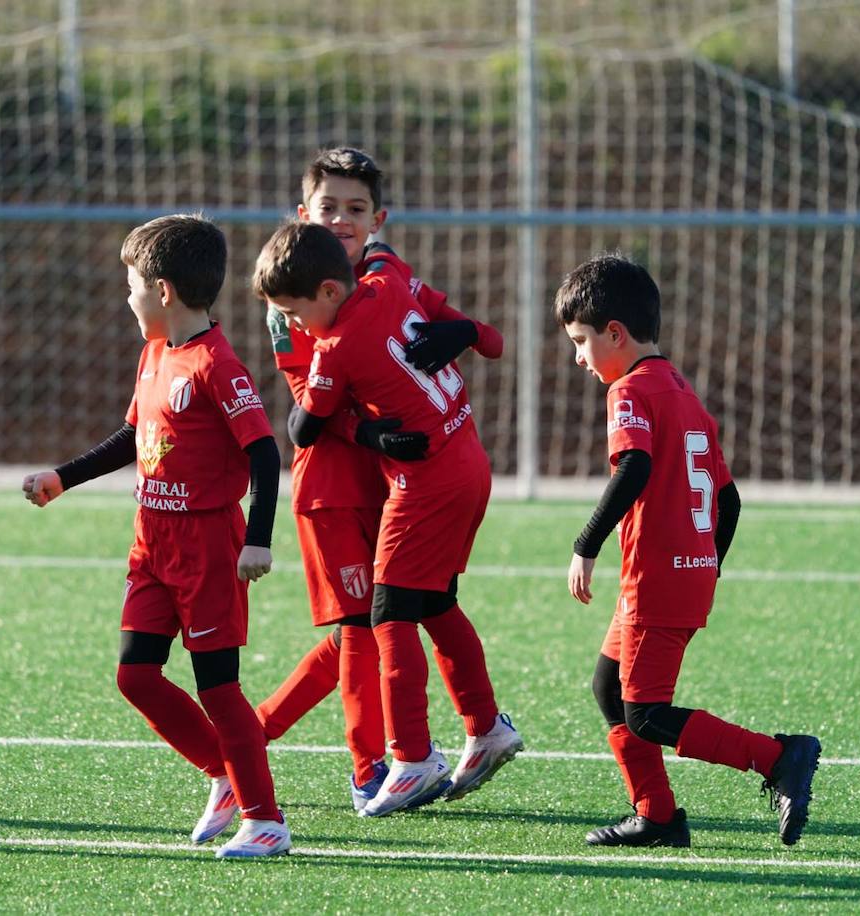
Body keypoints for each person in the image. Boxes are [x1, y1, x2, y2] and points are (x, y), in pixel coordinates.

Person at [21, 214, 290, 859]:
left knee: (218, 687)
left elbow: (263, 454)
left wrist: (258, 538)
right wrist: (64, 478)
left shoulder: (217, 366)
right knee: (135, 675)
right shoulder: (154, 353)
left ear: (164, 291)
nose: (128, 297)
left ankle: (266, 819)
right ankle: (221, 773)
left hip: (207, 547)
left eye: (132, 285)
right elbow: (132, 438)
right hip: (151, 543)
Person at [254, 147, 506, 813]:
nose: (339, 218)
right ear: (302, 212)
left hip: (403, 476)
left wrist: (461, 333)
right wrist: (368, 434)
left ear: (377, 220)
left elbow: (429, 315)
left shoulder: (383, 272)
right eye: (327, 206)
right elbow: (308, 402)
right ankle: (369, 765)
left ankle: (259, 735)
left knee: (393, 615)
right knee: (364, 627)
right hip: (339, 480)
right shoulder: (293, 294)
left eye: (354, 209)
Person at [555, 253, 821, 848]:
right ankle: (656, 813)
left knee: (646, 712)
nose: (578, 357)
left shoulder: (630, 389)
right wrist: (707, 565)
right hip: (680, 575)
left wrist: (585, 545)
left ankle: (778, 758)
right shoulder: (681, 391)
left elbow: (635, 466)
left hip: (657, 580)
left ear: (615, 334)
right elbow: (729, 503)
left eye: (581, 341)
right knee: (610, 689)